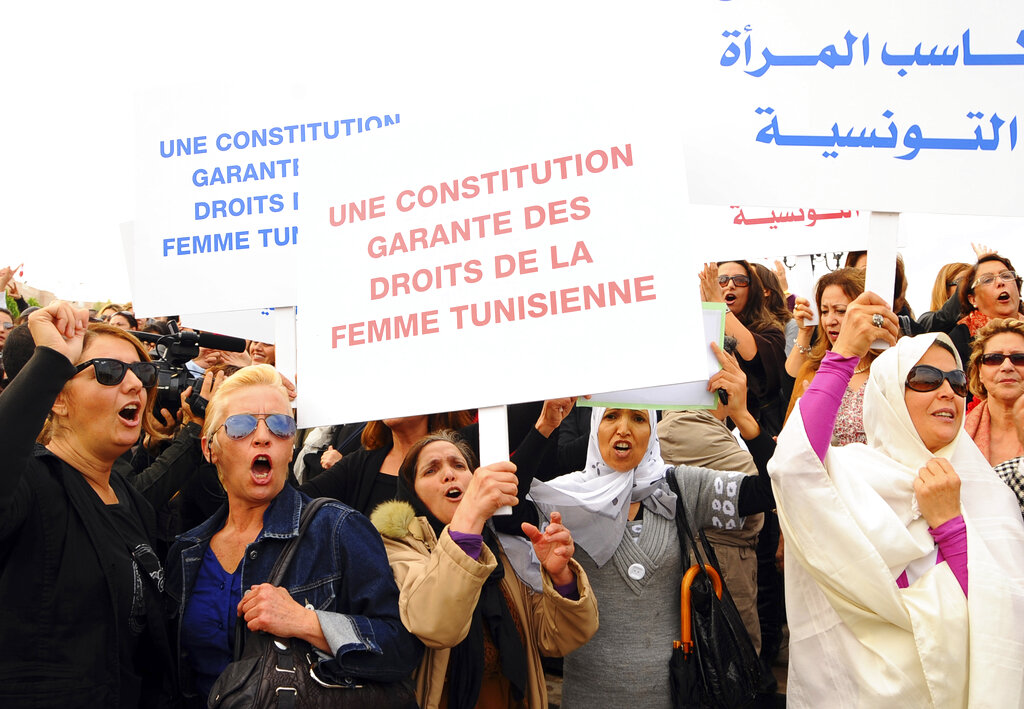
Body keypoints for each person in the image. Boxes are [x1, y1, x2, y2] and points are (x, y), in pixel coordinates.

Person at [770, 291, 1024, 707]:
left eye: (957, 382)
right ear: (887, 394)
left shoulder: (983, 490)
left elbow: (1005, 621)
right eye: (925, 378)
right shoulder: (852, 474)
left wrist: (950, 527)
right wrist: (845, 354)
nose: (947, 391)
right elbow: (794, 468)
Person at [518, 344, 778, 708]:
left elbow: (771, 490)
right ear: (595, 429)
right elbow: (507, 503)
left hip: (676, 694)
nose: (623, 428)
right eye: (611, 417)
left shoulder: (680, 487)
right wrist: (545, 426)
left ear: (653, 431)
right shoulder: (566, 501)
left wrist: (745, 418)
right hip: (589, 696)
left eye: (638, 419)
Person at [165, 364, 421, 706]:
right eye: (241, 425)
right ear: (210, 448)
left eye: (280, 425)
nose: (262, 436)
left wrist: (308, 622)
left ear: (290, 448)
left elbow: (400, 649)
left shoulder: (337, 528)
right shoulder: (187, 552)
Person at [0, 302, 175, 707]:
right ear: (58, 399)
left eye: (142, 373)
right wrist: (50, 361)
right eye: (110, 372)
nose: (134, 385)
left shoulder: (130, 500)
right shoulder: (32, 484)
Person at [370, 430, 598, 708]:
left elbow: (555, 640)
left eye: (459, 465)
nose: (449, 475)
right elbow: (435, 625)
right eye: (431, 470)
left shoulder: (500, 546)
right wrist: (469, 520)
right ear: (411, 492)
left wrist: (561, 577)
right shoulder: (397, 547)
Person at [785, 267, 875, 445]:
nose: (829, 320)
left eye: (841, 311)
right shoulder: (813, 370)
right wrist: (805, 331)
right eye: (824, 311)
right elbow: (790, 439)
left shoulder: (891, 366)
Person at [699, 260, 787, 436]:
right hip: (706, 430)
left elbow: (752, 355)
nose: (730, 285)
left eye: (739, 280)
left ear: (751, 289)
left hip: (755, 432)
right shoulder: (697, 332)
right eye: (721, 280)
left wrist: (718, 305)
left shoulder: (770, 331)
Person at [966, 318, 1024, 466]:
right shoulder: (955, 434)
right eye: (994, 359)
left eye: (1019, 358)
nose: (1007, 367)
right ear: (979, 371)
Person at [950, 253, 1024, 368]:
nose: (1000, 282)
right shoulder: (959, 339)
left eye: (1006, 276)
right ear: (973, 299)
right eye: (988, 279)